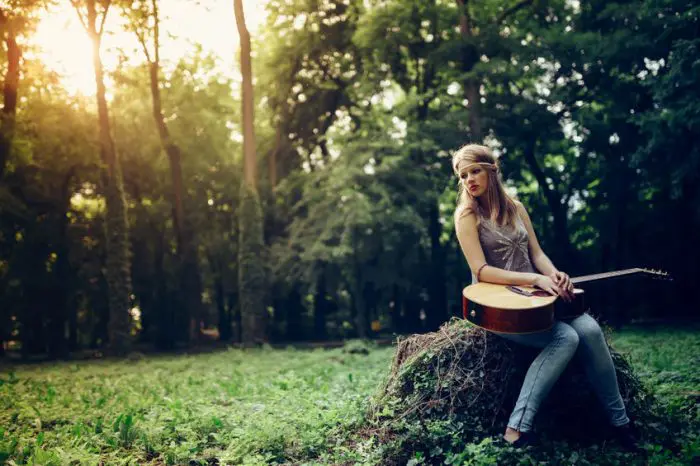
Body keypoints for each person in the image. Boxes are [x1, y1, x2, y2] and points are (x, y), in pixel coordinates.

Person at [451, 143, 638, 448]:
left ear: (491, 171)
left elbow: (536, 253)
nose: (469, 179)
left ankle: (621, 423)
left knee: (589, 330)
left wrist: (553, 275)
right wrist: (535, 278)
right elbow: (481, 270)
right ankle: (517, 428)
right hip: (499, 308)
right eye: (463, 175)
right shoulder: (466, 216)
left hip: (537, 299)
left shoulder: (516, 208)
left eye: (475, 171)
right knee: (565, 337)